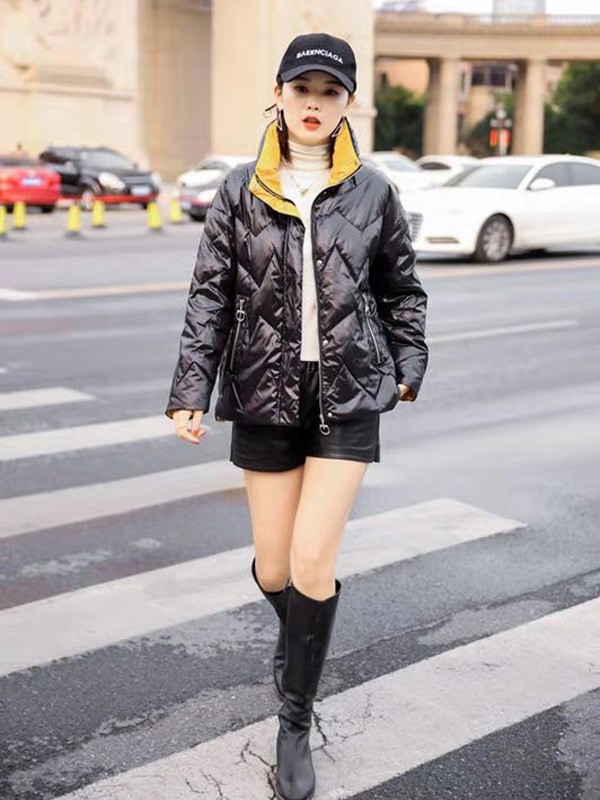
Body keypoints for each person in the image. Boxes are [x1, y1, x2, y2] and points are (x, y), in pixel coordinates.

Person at [165, 31, 428, 800]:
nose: (314, 104)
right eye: (302, 89)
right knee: (276, 568)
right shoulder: (240, 188)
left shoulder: (375, 192)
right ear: (278, 95)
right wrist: (190, 388)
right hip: (264, 392)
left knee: (313, 564)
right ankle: (302, 637)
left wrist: (408, 365)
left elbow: (402, 290)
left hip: (346, 393)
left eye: (329, 92)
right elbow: (210, 295)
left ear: (349, 103)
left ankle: (295, 717)